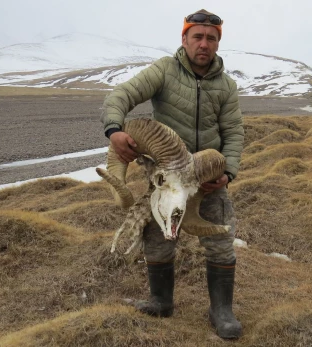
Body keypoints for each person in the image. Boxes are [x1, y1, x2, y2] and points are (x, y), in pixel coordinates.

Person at [101, 9, 244, 339]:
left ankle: (221, 310)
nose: (204, 44)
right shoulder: (164, 71)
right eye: (198, 36)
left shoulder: (226, 85)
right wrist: (114, 130)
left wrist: (229, 172)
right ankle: (160, 301)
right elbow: (121, 95)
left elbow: (234, 132)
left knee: (220, 240)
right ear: (184, 39)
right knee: (158, 238)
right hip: (166, 176)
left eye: (211, 38)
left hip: (206, 179)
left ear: (218, 43)